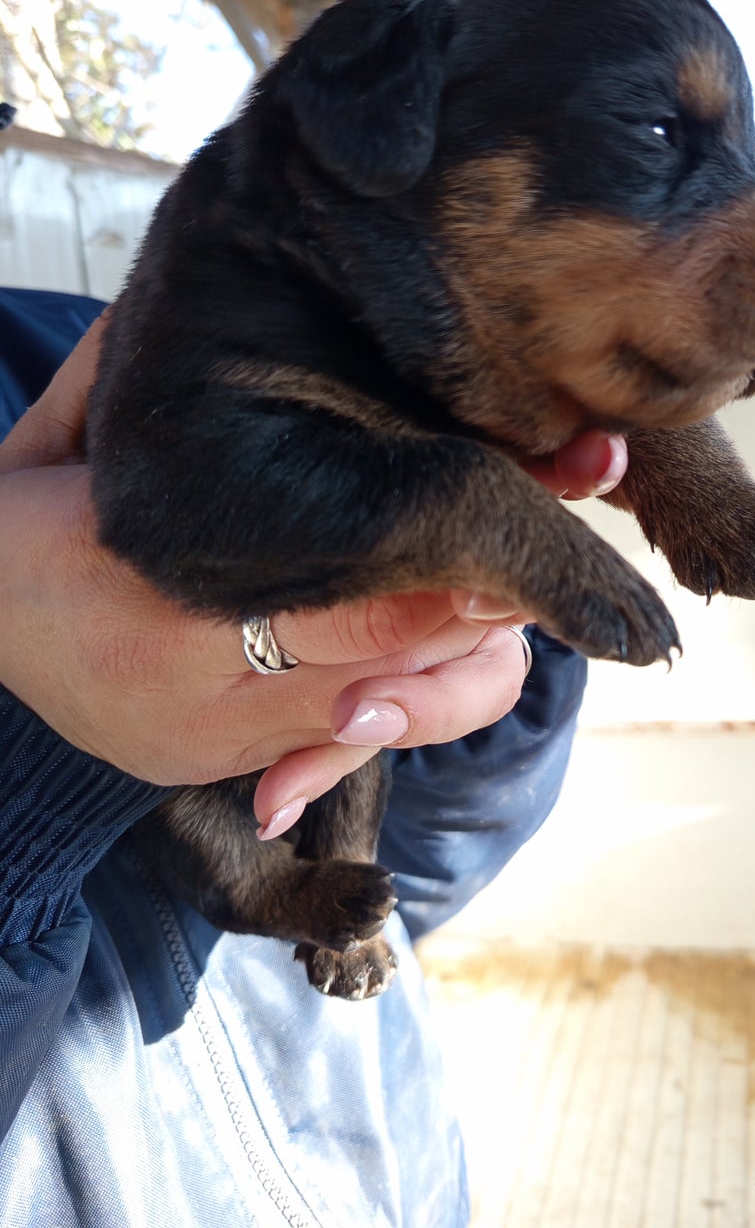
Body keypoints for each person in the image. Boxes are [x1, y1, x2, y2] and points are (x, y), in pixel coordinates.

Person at [0, 286, 628, 1227]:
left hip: (391, 1161)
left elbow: (424, 856)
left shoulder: (92, 334)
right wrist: (31, 785)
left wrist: (490, 643)